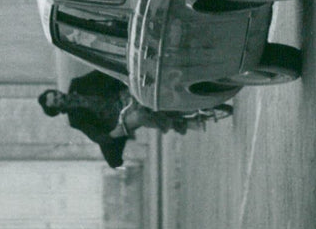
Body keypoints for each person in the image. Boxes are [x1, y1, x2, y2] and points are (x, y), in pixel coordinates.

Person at [38, 71, 230, 168]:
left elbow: (102, 74)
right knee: (139, 116)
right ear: (57, 109)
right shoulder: (75, 119)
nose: (58, 97)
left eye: (55, 94)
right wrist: (112, 134)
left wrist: (123, 76)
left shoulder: (77, 83)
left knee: (151, 89)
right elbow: (94, 134)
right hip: (119, 120)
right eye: (55, 101)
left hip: (123, 96)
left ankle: (187, 96)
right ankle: (184, 123)